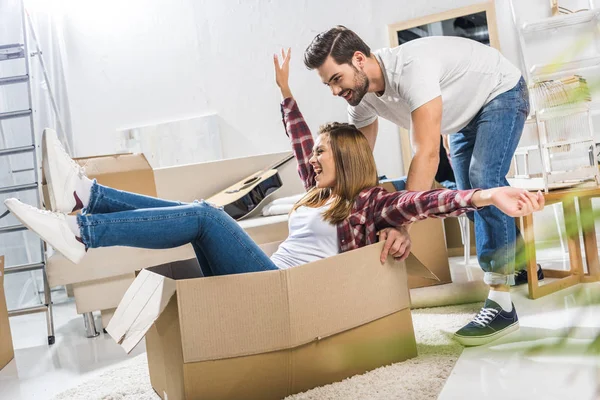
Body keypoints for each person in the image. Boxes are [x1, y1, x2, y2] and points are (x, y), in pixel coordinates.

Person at [5, 51, 543, 347]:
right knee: (203, 218)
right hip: (265, 276)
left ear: (348, 163)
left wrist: (489, 192)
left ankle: (84, 230)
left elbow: (430, 204)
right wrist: (286, 94)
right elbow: (303, 142)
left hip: (286, 292)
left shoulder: (370, 204)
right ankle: (88, 196)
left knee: (203, 217)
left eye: (325, 155)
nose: (313, 160)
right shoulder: (317, 190)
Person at [304, 27, 532, 345]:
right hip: (463, 117)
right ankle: (517, 261)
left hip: (500, 92)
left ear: (358, 59)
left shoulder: (411, 69)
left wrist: (400, 224)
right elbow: (357, 167)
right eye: (328, 83)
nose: (333, 90)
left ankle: (502, 304)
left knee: (484, 180)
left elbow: (426, 152)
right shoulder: (360, 102)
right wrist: (349, 211)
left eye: (336, 79)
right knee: (470, 199)